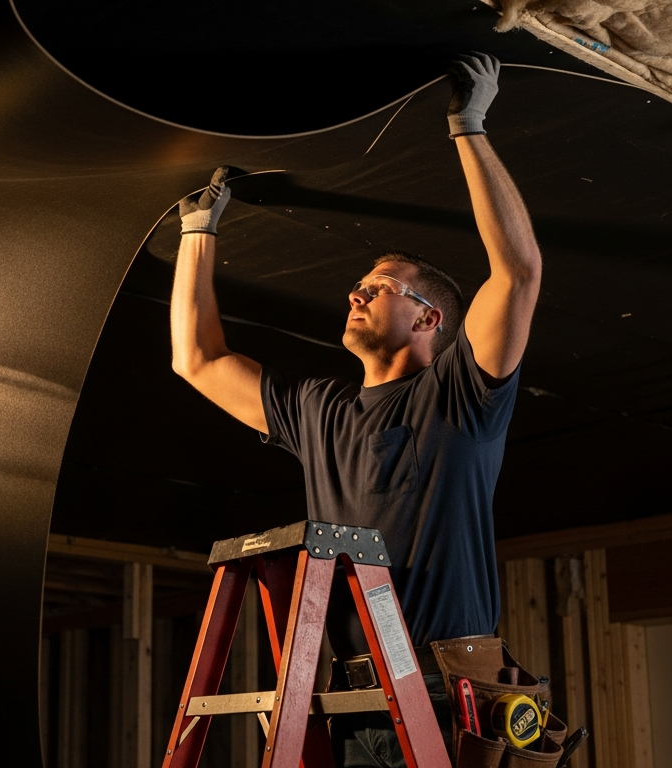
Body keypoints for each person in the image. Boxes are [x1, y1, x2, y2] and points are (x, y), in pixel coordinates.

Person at [169, 54, 540, 767]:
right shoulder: (320, 410)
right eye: (360, 285)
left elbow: (518, 273)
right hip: (355, 702)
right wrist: (197, 231)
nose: (356, 293)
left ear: (429, 320)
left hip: (446, 696)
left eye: (382, 286)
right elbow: (199, 361)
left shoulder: (460, 395)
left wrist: (468, 125)